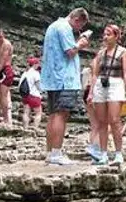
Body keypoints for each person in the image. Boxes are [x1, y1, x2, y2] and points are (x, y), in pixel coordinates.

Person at [41, 8, 91, 165]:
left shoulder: (53, 26)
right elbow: (70, 51)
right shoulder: (64, 28)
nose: (79, 30)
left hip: (52, 78)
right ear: (76, 19)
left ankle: (50, 153)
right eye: (79, 26)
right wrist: (81, 44)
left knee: (53, 114)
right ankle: (56, 153)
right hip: (64, 79)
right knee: (61, 115)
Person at [88, 24, 126, 165]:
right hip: (101, 85)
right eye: (104, 34)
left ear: (116, 36)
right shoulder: (100, 53)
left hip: (116, 84)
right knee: (101, 121)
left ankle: (119, 154)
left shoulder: (123, 52)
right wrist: (91, 92)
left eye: (108, 34)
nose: (105, 37)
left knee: (114, 120)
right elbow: (95, 74)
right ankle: (103, 154)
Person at [82, 64, 101, 159]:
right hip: (95, 93)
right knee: (102, 125)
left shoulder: (86, 72)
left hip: (86, 93)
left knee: (94, 125)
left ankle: (93, 147)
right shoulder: (97, 74)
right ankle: (96, 148)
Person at [20, 57, 42, 129]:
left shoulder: (25, 73)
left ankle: (25, 129)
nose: (39, 65)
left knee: (26, 113)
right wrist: (42, 91)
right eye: (38, 63)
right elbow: (38, 86)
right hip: (34, 96)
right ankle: (35, 129)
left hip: (26, 96)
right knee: (38, 113)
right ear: (35, 64)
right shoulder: (36, 73)